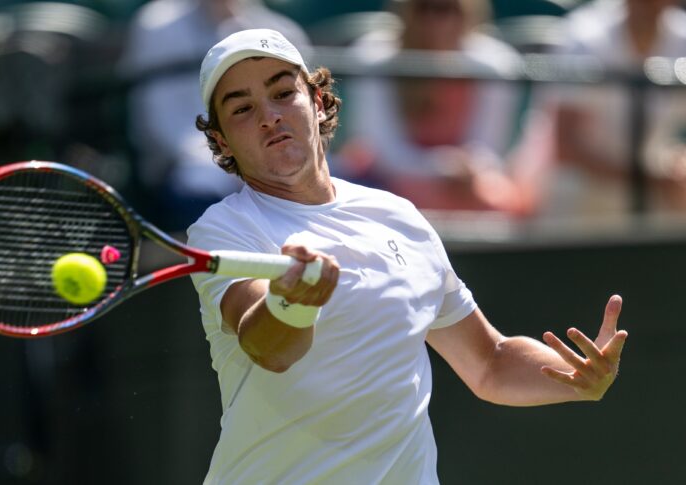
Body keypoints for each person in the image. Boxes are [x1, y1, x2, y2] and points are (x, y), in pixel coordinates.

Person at [186, 29, 628, 484]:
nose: (269, 116)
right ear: (220, 141)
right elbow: (268, 349)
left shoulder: (399, 217)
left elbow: (489, 361)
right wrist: (292, 302)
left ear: (317, 102)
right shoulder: (224, 228)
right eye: (243, 109)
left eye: (283, 93)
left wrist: (573, 375)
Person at [118, 0, 310, 229]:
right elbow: (161, 126)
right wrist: (234, 162)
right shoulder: (156, 26)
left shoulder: (282, 31)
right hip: (184, 177)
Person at [336, 0, 532, 215]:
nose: (436, 20)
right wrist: (439, 169)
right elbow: (381, 148)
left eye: (448, 9)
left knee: (501, 204)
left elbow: (489, 148)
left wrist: (463, 170)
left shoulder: (497, 65)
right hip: (385, 179)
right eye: (424, 8)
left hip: (466, 183)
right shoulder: (372, 59)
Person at [536, 0, 686, 215]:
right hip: (579, 198)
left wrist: (678, 162)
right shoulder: (583, 38)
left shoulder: (682, 37)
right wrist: (650, 181)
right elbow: (566, 147)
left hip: (654, 195)